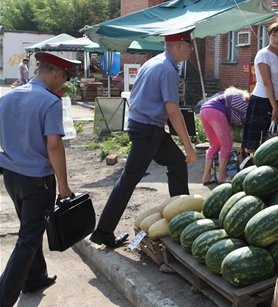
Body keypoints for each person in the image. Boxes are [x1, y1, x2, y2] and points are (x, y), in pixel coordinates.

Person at [89, 29, 197, 248]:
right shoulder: (168, 69)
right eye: (189, 44)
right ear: (178, 45)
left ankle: (180, 219)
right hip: (148, 130)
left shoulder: (154, 62)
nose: (192, 48)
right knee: (129, 179)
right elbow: (173, 111)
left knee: (176, 162)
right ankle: (103, 232)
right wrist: (189, 146)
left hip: (147, 127)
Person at [0, 52, 80, 305]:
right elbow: (54, 146)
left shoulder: (9, 96)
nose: (64, 84)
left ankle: (35, 278)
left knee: (29, 227)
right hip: (38, 181)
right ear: (58, 74)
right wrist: (64, 186)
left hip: (12, 176)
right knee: (28, 239)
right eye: (65, 79)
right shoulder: (50, 102)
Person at [241, 22, 278, 152]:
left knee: (275, 144)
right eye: (274, 36)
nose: (277, 39)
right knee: (257, 145)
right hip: (262, 100)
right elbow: (267, 82)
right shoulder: (263, 54)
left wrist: (277, 103)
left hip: (275, 100)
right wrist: (274, 107)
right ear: (269, 36)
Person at [200, 87, 250, 185]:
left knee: (214, 145)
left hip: (204, 110)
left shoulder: (228, 96)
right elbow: (241, 119)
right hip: (215, 112)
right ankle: (222, 176)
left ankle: (206, 177)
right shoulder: (244, 101)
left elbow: (232, 118)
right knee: (226, 144)